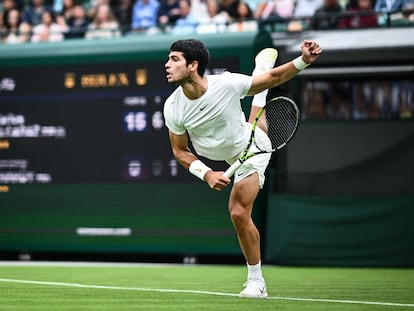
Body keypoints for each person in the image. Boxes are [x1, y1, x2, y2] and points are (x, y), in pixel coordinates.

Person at [163, 38, 322, 298]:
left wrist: (304, 60)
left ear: (193, 65)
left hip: (251, 152)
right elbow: (180, 151)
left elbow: (272, 78)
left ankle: (256, 282)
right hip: (230, 147)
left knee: (237, 212)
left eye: (174, 59)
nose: (167, 64)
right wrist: (206, 173)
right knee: (255, 124)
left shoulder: (225, 84)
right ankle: (258, 97)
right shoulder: (172, 106)